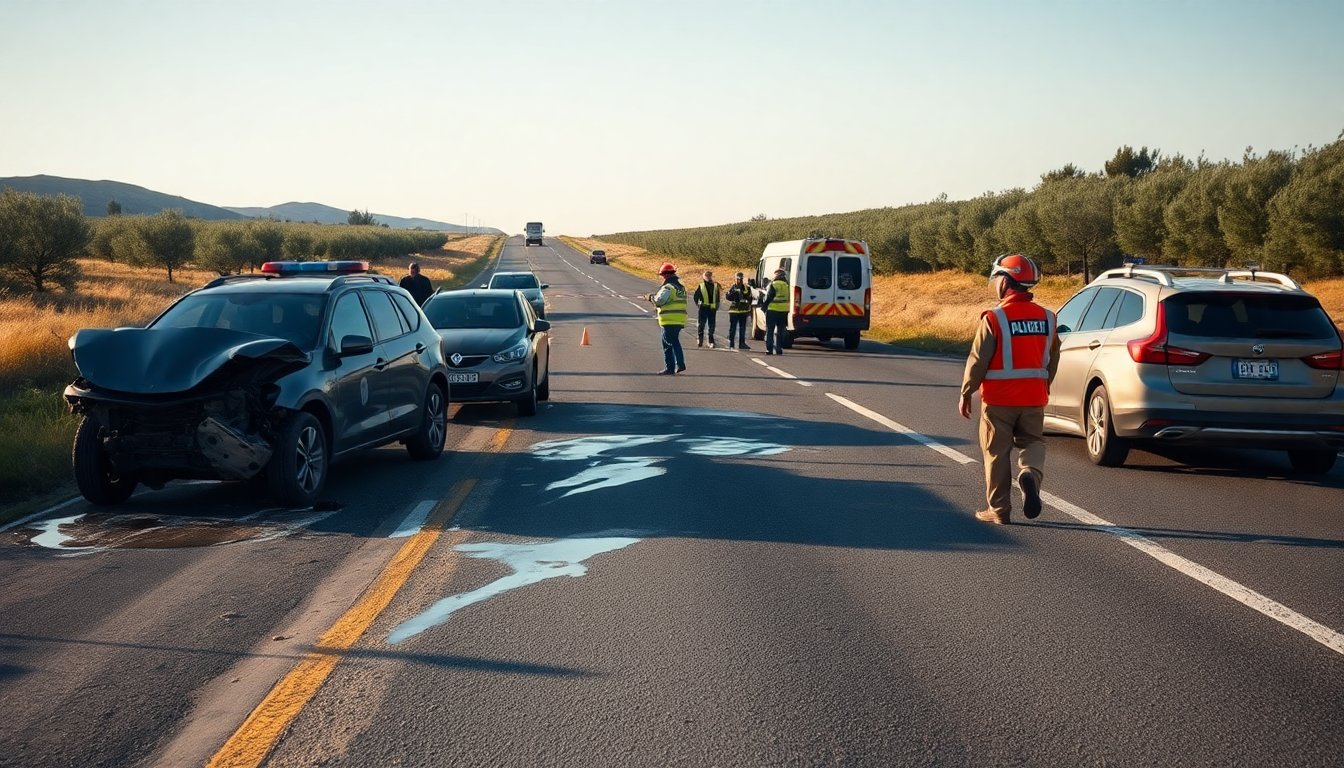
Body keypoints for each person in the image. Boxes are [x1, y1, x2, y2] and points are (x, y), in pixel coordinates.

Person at [958, 254, 1061, 525]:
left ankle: (1000, 510)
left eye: (997, 278)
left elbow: (978, 360)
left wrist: (966, 392)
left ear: (1006, 281)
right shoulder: (1048, 318)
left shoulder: (994, 318)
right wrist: (1043, 385)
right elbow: (1053, 359)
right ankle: (1030, 473)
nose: (995, 284)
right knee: (1033, 442)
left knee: (996, 453)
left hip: (999, 401)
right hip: (1033, 398)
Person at [646, 262, 687, 375]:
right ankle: (677, 364)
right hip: (679, 319)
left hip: (669, 320)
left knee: (668, 344)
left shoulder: (668, 287)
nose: (662, 278)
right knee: (674, 341)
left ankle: (673, 366)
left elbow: (660, 301)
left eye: (663, 275)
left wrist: (651, 298)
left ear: (666, 275)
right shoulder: (681, 287)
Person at [761, 267, 790, 355]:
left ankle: (769, 349)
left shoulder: (773, 284)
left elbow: (769, 297)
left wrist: (764, 307)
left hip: (772, 310)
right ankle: (779, 349)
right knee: (781, 331)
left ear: (776, 275)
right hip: (784, 311)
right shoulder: (787, 286)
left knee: (770, 330)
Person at [692, 270, 721, 348]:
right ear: (704, 277)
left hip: (712, 309)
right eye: (706, 276)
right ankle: (700, 340)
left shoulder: (715, 285)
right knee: (701, 324)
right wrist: (698, 304)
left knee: (711, 326)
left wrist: (717, 305)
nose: (708, 277)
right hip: (703, 308)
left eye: (709, 276)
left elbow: (718, 297)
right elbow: (696, 296)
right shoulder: (701, 286)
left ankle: (711, 341)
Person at [724, 271, 753, 350]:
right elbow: (728, 297)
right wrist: (735, 292)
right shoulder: (733, 287)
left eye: (740, 279)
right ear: (735, 279)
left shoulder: (746, 288)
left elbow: (749, 297)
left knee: (742, 328)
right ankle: (731, 344)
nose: (739, 281)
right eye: (737, 279)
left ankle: (742, 343)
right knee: (733, 328)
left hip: (743, 311)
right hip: (734, 311)